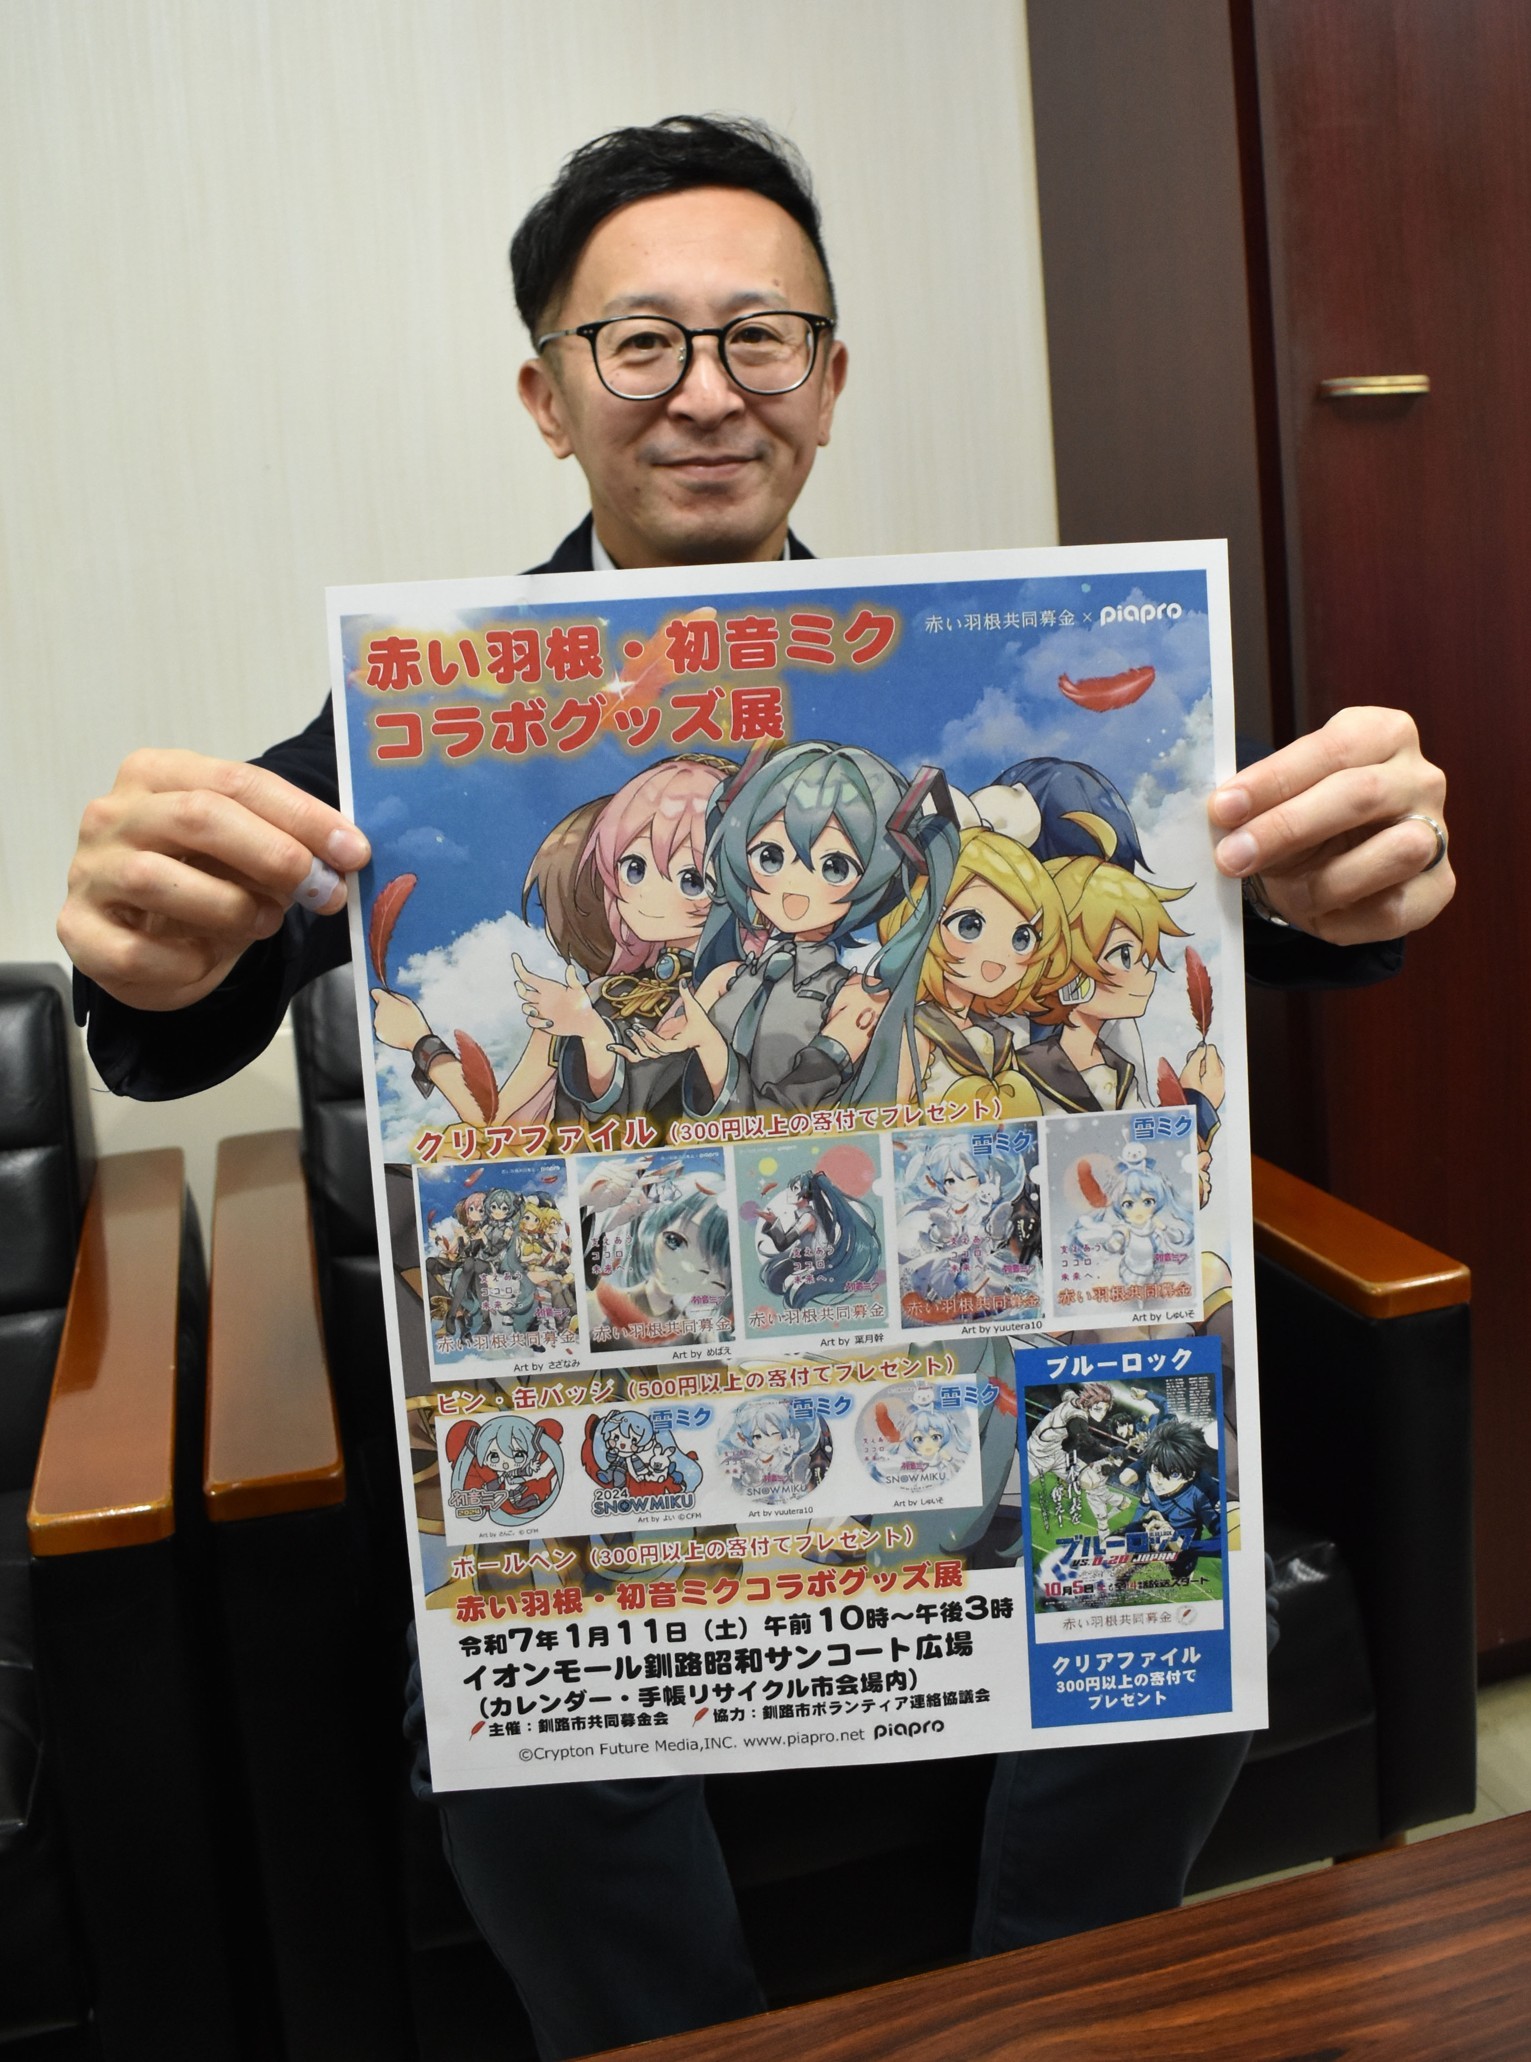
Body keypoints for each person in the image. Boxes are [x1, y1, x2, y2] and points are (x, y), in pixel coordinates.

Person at [57, 114, 1454, 2061]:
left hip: (962, 1342)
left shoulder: (981, 681)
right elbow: (189, 996)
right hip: (639, 1398)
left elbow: (1171, 910)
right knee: (517, 1702)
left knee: (1161, 1571)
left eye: (759, 337)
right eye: (640, 343)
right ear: (548, 397)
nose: (706, 390)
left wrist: (1338, 875)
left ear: (829, 380)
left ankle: (1038, 2015)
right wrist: (151, 954)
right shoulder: (437, 703)